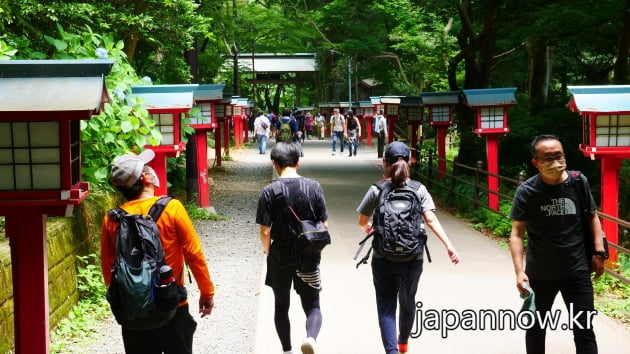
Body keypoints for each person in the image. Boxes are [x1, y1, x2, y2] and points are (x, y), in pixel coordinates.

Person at [101, 149, 215, 354]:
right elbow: (193, 253)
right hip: (172, 303)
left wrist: (128, 299)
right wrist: (207, 292)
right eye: (148, 169)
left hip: (133, 313)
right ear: (145, 177)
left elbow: (109, 268)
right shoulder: (172, 208)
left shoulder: (112, 219)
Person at [356, 142, 459, 354]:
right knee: (407, 301)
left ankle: (392, 351)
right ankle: (403, 343)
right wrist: (449, 246)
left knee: (386, 306)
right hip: (413, 258)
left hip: (383, 258)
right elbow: (431, 219)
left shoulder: (377, 189)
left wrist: (369, 227)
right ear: (410, 160)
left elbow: (361, 221)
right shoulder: (419, 189)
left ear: (384, 162)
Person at [509, 134, 604, 354]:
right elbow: (516, 233)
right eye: (547, 157)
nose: (555, 162)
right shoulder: (527, 191)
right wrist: (518, 271)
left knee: (584, 328)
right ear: (536, 162)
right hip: (539, 274)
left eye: (558, 155)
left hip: (576, 271)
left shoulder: (578, 182)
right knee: (536, 328)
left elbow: (592, 216)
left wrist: (599, 252)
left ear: (564, 156)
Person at [256, 142, 329, 354]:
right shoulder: (314, 187)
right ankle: (310, 338)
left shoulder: (269, 192)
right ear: (298, 162)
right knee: (313, 305)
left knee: (281, 305)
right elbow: (324, 226)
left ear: (274, 164)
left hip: (280, 257)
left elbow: (265, 231)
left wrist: (268, 252)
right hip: (308, 257)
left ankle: (286, 350)